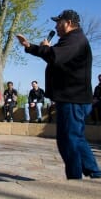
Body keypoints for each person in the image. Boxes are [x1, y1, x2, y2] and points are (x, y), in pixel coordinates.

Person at [16, 9, 101, 179]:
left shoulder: (75, 40)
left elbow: (54, 55)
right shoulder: (72, 40)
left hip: (73, 99)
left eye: (59, 22)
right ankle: (93, 170)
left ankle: (75, 178)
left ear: (68, 23)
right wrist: (32, 47)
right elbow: (55, 58)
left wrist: (39, 47)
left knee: (68, 140)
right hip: (72, 98)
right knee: (76, 137)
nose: (56, 25)